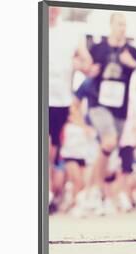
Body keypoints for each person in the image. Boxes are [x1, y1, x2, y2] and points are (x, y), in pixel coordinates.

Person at [86, 12, 136, 214]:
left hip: (120, 108)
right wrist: (88, 69)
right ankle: (94, 190)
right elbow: (85, 66)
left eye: (125, 24)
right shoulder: (98, 48)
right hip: (98, 103)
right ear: (111, 25)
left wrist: (133, 64)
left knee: (108, 149)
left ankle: (95, 190)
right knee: (109, 142)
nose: (122, 28)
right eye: (119, 24)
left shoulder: (132, 51)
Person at [48, 6, 92, 209]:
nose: (51, 10)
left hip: (59, 100)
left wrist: (80, 64)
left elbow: (87, 62)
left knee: (52, 148)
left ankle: (50, 192)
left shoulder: (70, 33)